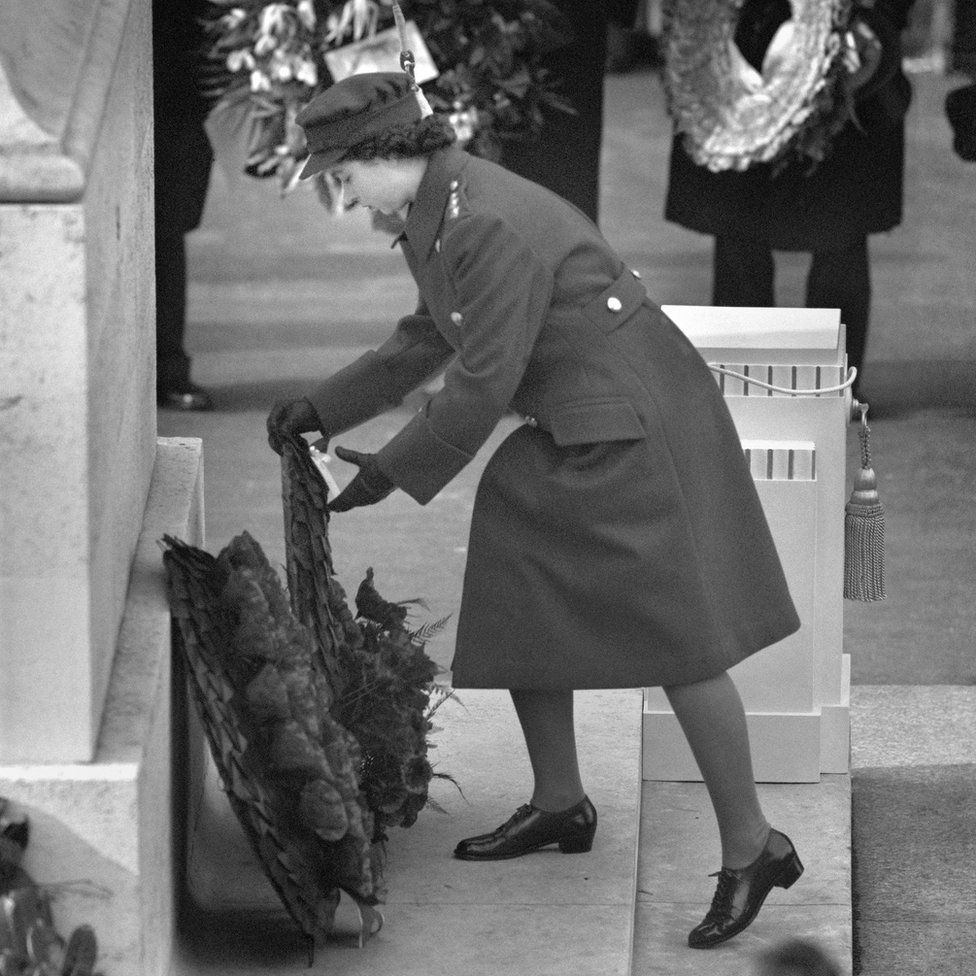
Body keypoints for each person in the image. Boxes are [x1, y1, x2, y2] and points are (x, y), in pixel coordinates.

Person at [267, 71, 804, 949]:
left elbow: (481, 386)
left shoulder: (482, 222)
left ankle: (755, 847)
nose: (340, 191)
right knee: (517, 559)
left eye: (340, 172)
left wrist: (379, 477)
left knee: (682, 635)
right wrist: (326, 407)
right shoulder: (437, 209)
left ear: (384, 154)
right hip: (581, 416)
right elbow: (427, 336)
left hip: (632, 423)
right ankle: (560, 802)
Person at [664, 0, 917, 398]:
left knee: (838, 224)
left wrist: (878, 17)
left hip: (845, 32)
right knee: (739, 217)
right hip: (740, 33)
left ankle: (834, 386)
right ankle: (743, 377)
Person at [152, 0, 218, 411]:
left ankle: (167, 365)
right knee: (164, 228)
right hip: (161, 55)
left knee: (167, 226)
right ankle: (166, 366)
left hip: (182, 75)